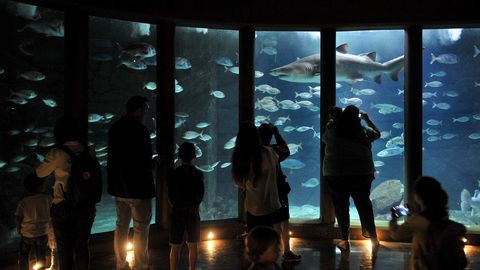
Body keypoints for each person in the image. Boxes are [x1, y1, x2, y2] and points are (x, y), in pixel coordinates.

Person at [36, 116, 97, 270]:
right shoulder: (89, 151)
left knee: (64, 250)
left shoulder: (56, 153)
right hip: (85, 206)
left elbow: (40, 173)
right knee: (82, 247)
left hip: (62, 206)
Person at [322, 105, 381, 253]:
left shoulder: (331, 132)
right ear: (357, 118)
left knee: (341, 207)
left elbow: (324, 137)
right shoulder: (364, 132)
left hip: (335, 175)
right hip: (362, 174)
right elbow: (378, 134)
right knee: (364, 206)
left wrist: (333, 121)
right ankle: (373, 238)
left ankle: (344, 240)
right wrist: (367, 119)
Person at [108, 96, 155, 270]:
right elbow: (145, 161)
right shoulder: (141, 130)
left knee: (121, 227)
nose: (145, 113)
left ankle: (121, 264)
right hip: (139, 188)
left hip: (119, 188)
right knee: (141, 229)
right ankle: (141, 266)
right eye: (145, 109)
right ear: (138, 109)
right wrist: (154, 164)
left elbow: (112, 160)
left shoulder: (115, 129)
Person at [389, 176, 468, 270]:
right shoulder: (455, 228)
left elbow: (396, 234)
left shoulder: (416, 222)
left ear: (418, 197)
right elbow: (462, 262)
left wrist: (393, 218)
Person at [258, 123, 301, 263]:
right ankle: (285, 251)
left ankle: (266, 253)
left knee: (268, 222)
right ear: (271, 136)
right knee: (283, 221)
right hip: (278, 190)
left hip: (260, 192)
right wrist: (277, 133)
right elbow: (286, 151)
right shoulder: (273, 150)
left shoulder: (255, 152)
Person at [232, 122, 282, 231]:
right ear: (256, 135)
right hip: (273, 205)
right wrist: (277, 134)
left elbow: (239, 182)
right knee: (272, 242)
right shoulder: (270, 152)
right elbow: (277, 173)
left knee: (256, 242)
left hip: (253, 207)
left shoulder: (242, 157)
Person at [168, 142, 204, 270]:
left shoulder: (174, 174)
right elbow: (201, 194)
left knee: (175, 245)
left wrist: (176, 204)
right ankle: (192, 269)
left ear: (179, 156)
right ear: (194, 156)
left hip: (177, 212)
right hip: (193, 213)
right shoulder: (198, 174)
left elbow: (170, 195)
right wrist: (195, 204)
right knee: (193, 244)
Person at [16, 173, 52, 270]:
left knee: (23, 256)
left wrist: (19, 228)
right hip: (42, 233)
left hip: (27, 234)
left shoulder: (23, 201)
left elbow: (18, 217)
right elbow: (52, 212)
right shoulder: (47, 199)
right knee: (41, 256)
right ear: (40, 187)